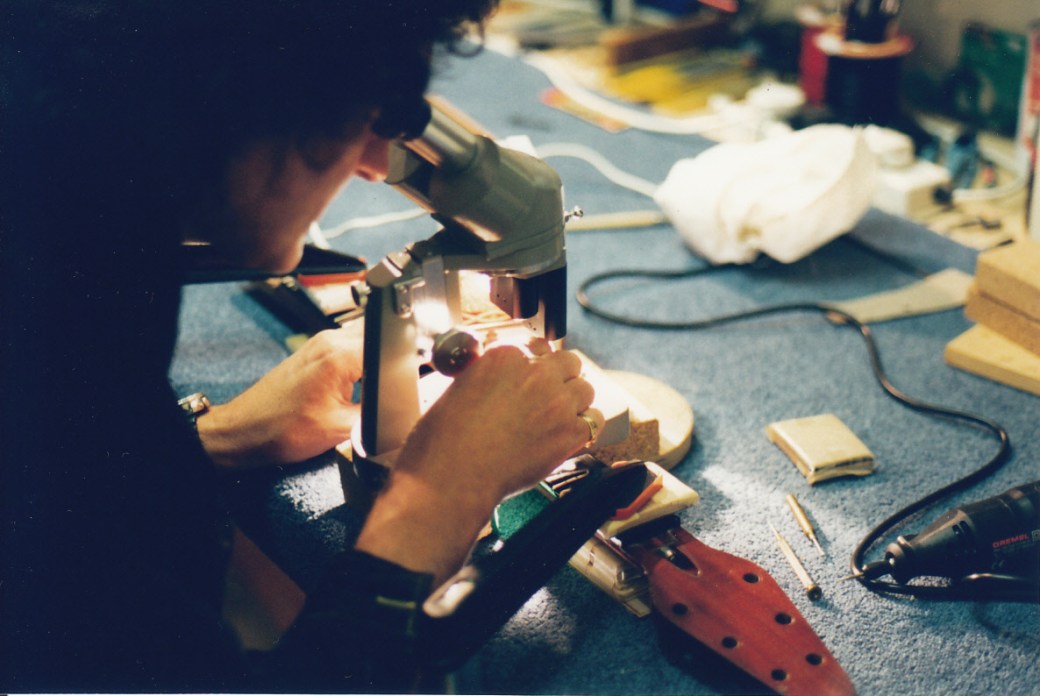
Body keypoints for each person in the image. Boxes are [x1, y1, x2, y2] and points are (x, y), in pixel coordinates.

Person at [0, 1, 605, 691]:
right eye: (360, 118)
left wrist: (210, 437)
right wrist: (433, 504)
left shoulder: (69, 228)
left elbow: (54, 482)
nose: (375, 162)